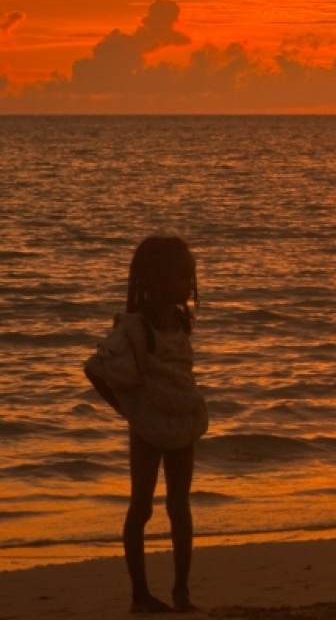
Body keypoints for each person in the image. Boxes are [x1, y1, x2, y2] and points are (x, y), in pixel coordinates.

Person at [83, 235, 209, 613]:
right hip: (147, 429)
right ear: (155, 278)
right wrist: (130, 412)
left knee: (179, 506)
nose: (188, 284)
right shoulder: (136, 327)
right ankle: (140, 595)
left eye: (190, 277)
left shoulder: (181, 321)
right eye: (181, 276)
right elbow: (96, 369)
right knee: (141, 508)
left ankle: (181, 592)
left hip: (183, 422)